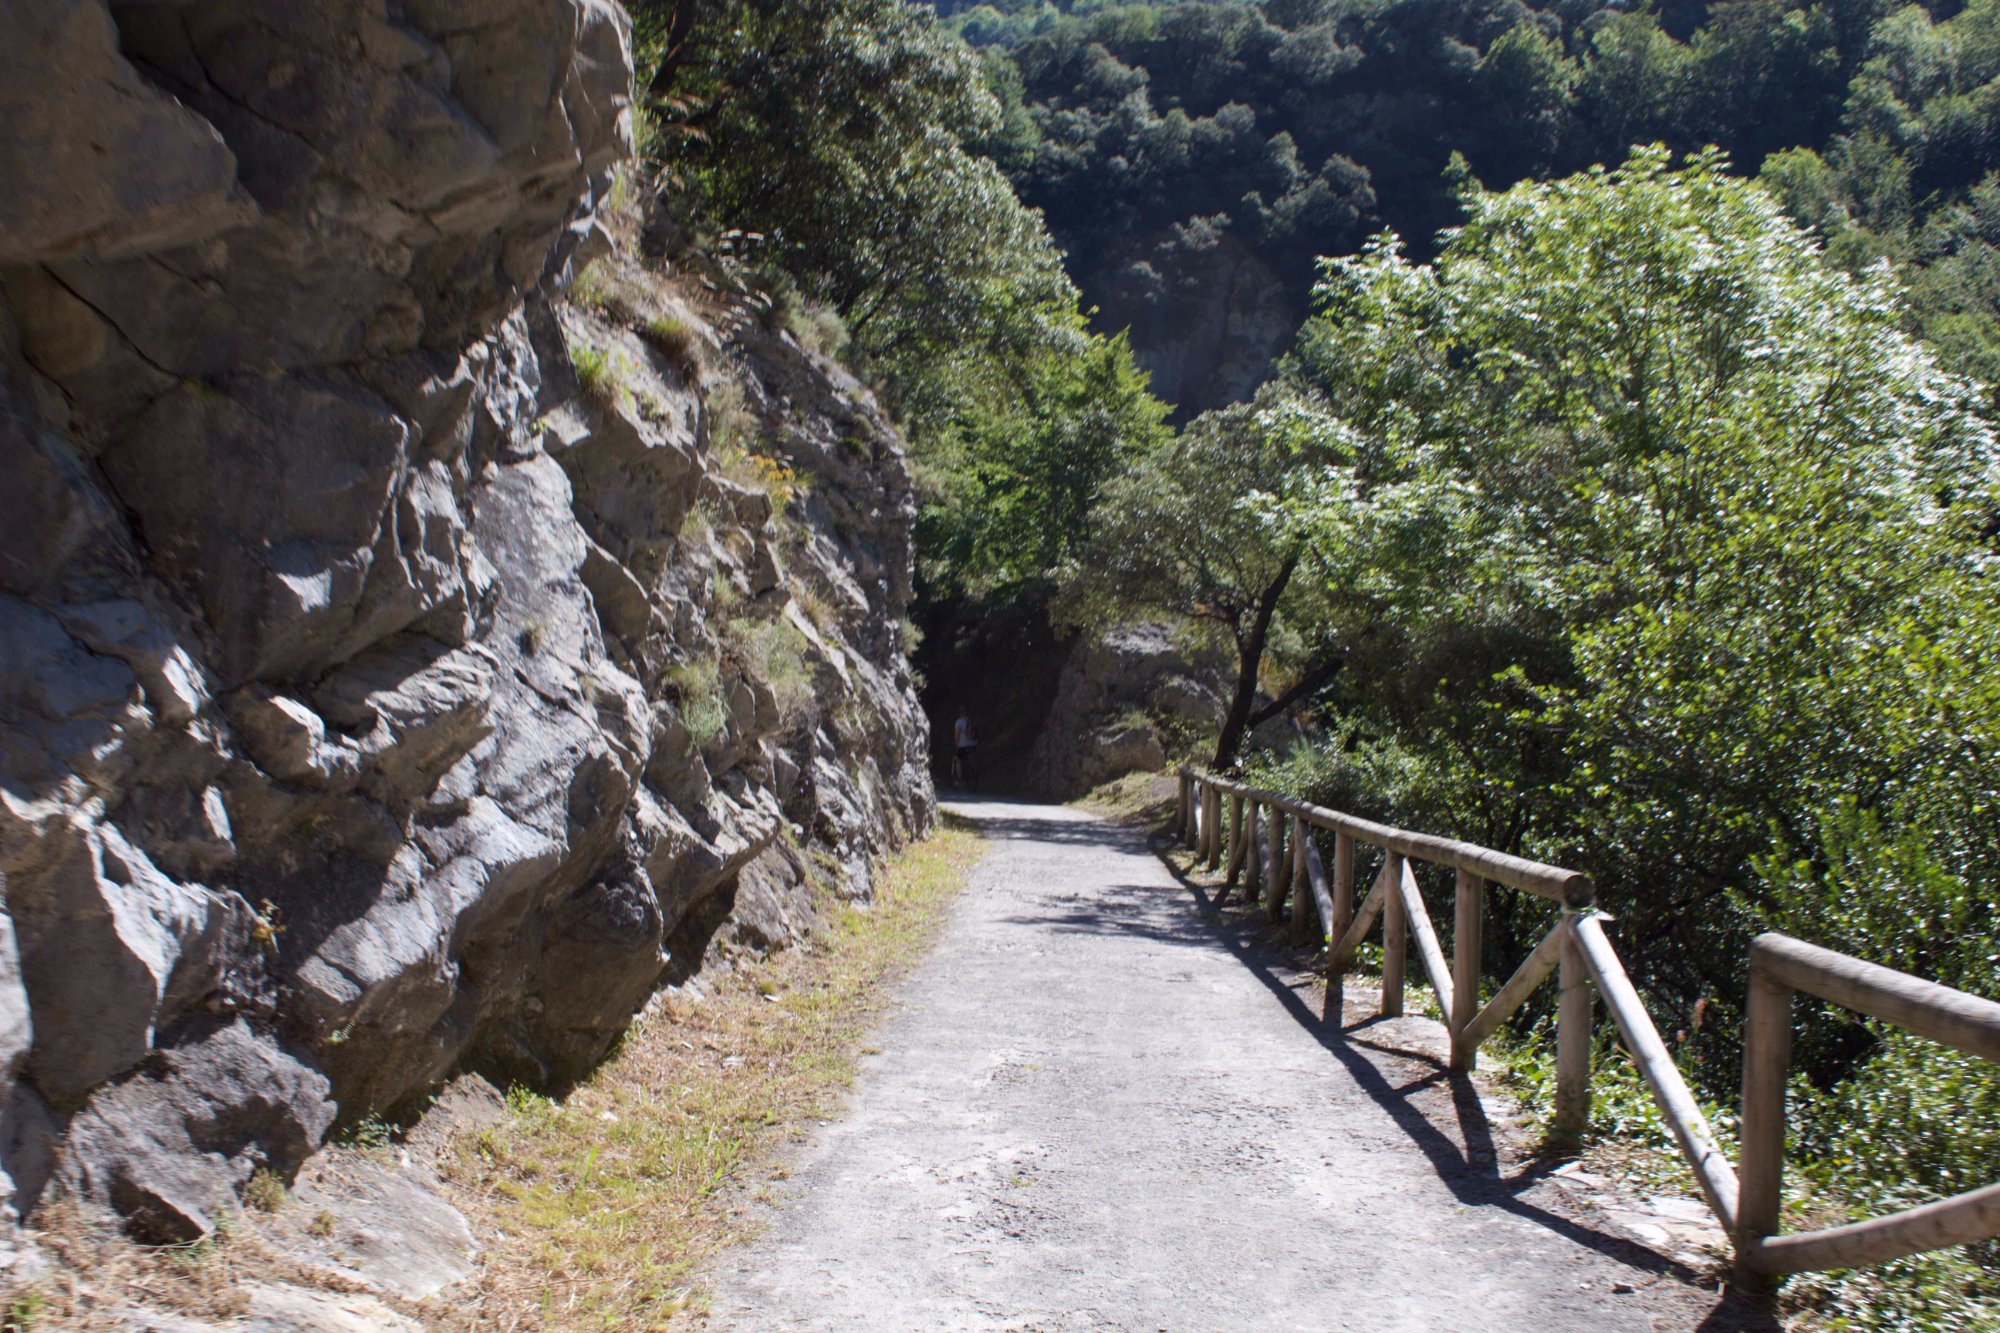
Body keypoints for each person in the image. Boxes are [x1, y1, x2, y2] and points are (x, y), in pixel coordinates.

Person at [951, 708, 977, 789]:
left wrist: (956, 745)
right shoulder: (971, 721)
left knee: (958, 760)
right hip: (973, 744)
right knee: (971, 758)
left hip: (962, 745)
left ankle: (959, 780)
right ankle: (975, 772)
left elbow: (957, 735)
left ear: (960, 714)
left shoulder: (959, 722)